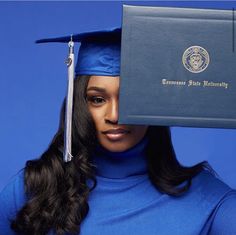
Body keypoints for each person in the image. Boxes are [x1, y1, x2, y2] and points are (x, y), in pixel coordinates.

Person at [0, 28, 236, 235]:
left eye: (130, 98)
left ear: (155, 104)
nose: (114, 115)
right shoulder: (32, 189)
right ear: (80, 104)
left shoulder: (210, 202)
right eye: (98, 99)